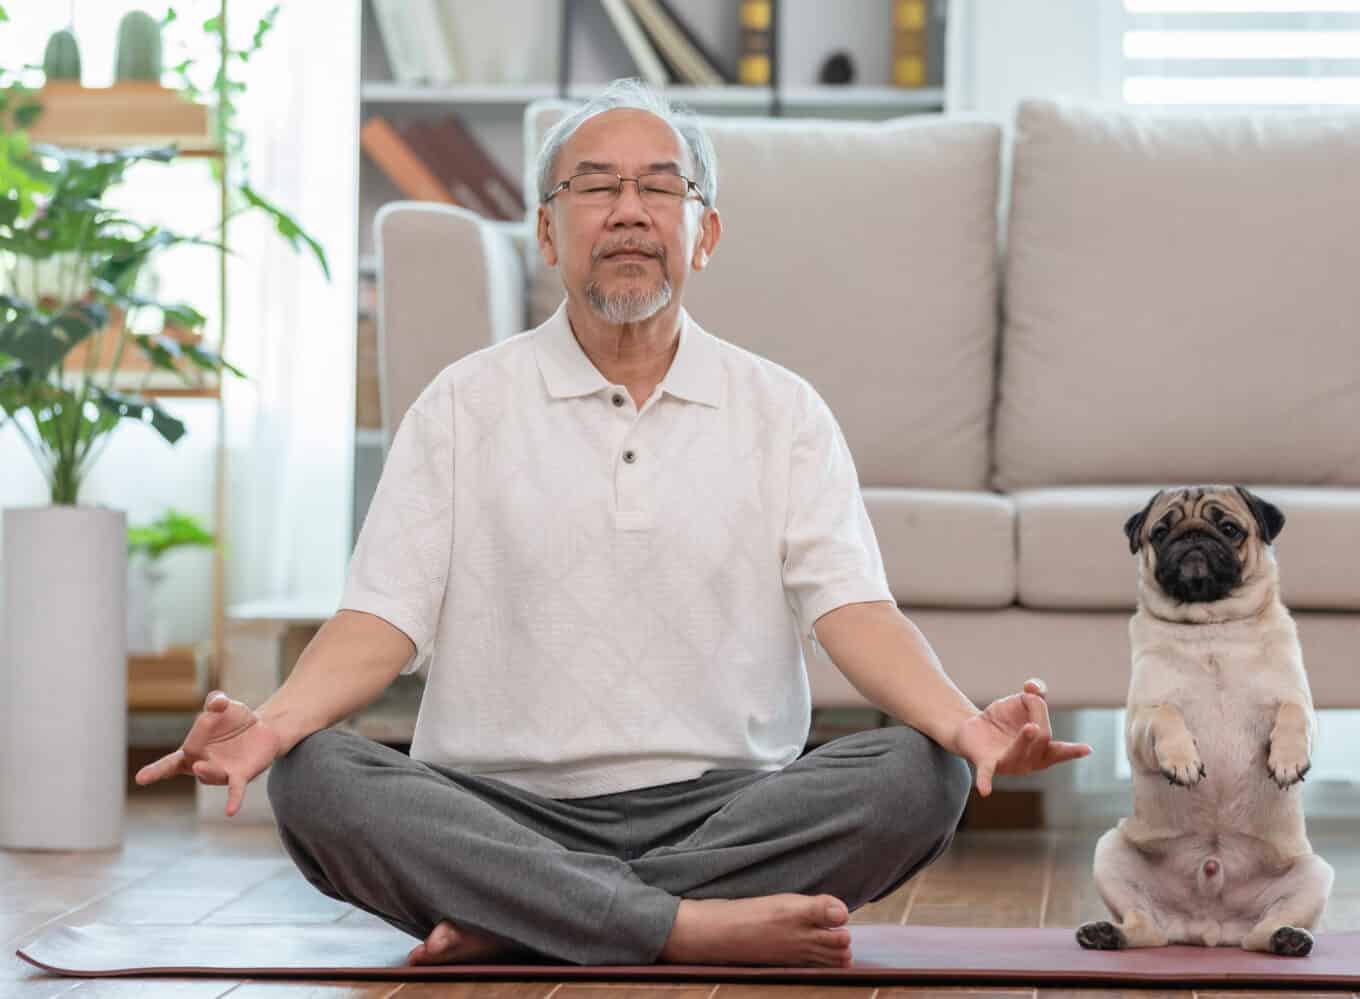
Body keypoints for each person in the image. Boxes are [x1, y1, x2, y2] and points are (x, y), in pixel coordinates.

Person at [137, 79, 1091, 969]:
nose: (629, 210)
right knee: (313, 780)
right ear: (547, 235)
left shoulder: (783, 409)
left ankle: (525, 921)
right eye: (594, 187)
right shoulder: (463, 404)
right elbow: (377, 620)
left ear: (704, 232)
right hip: (497, 810)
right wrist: (270, 727)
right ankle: (683, 926)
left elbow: (857, 616)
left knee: (922, 775)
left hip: (727, 809)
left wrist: (968, 729)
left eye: (659, 187)